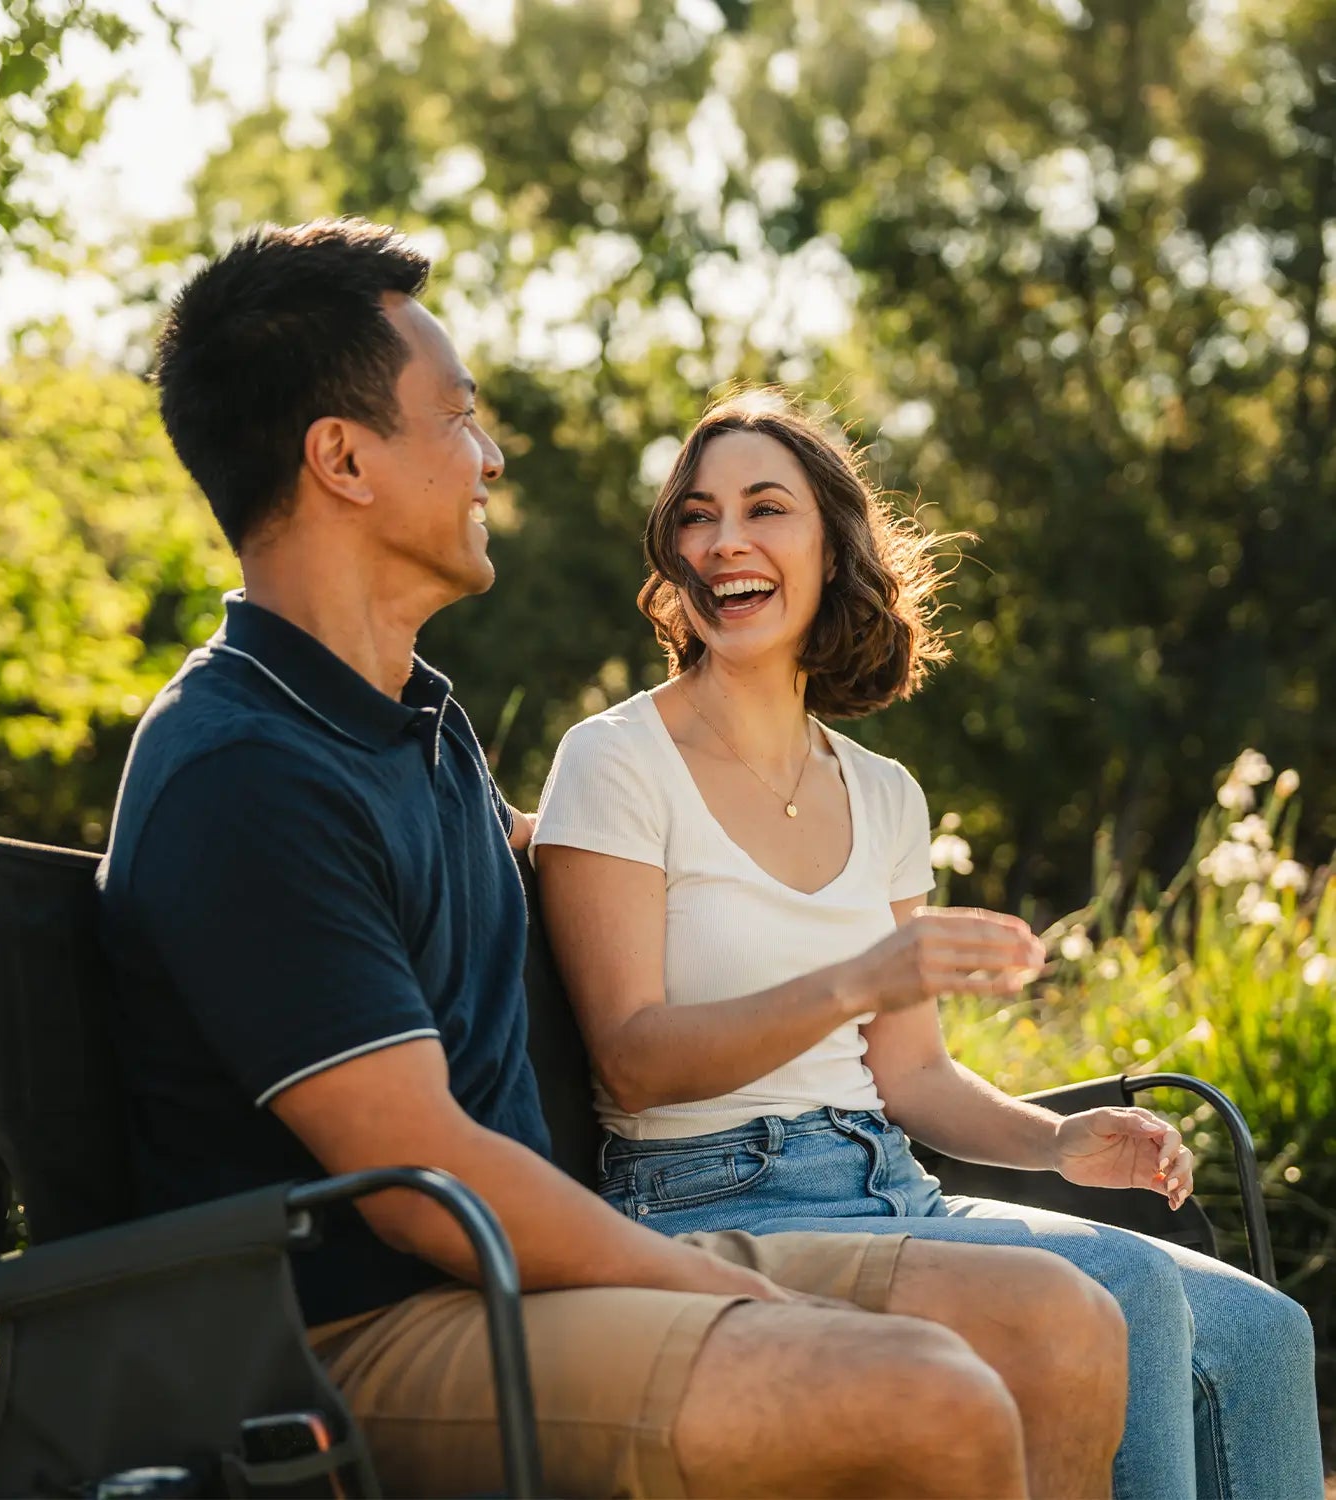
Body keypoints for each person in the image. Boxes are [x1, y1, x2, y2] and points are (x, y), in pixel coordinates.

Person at [97, 219, 1131, 1499]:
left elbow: (539, 859)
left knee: (1057, 1325)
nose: (490, 458)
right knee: (926, 1396)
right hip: (357, 1333)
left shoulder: (413, 726)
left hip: (505, 1280)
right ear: (342, 458)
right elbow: (424, 1187)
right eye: (459, 421)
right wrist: (704, 1279)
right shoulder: (246, 763)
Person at [531, 390, 1325, 1500]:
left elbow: (912, 1075)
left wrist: (1056, 1144)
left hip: (891, 1187)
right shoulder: (615, 762)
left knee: (1265, 1336)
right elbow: (631, 1057)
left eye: (767, 508)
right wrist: (856, 978)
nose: (726, 542)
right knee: (1129, 1290)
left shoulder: (884, 792)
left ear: (832, 552)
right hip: (707, 1200)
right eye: (698, 516)